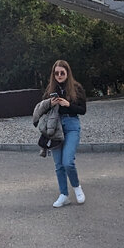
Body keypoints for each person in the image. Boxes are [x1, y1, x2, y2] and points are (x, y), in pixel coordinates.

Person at [44, 60, 87, 207]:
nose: (59, 75)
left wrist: (68, 104)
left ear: (67, 73)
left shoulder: (76, 88)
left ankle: (77, 187)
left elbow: (83, 110)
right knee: (58, 164)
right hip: (55, 127)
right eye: (56, 73)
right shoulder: (50, 89)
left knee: (67, 161)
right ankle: (64, 194)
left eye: (62, 72)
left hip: (71, 124)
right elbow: (43, 109)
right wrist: (51, 103)